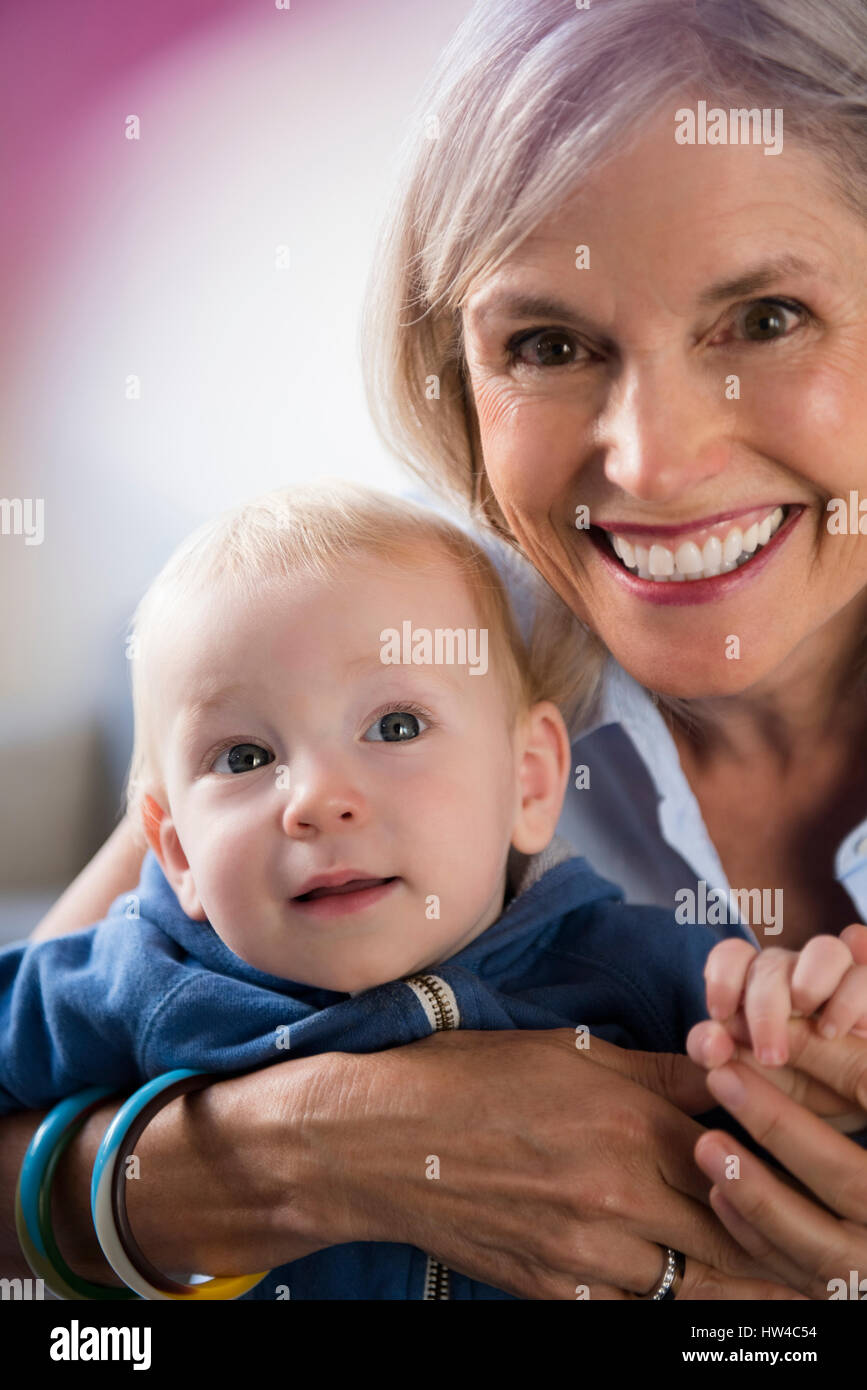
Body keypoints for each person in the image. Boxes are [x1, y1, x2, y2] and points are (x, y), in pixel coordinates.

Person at [5, 0, 867, 1301]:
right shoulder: (395, 656)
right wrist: (317, 1145)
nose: (649, 460)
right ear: (449, 377)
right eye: (545, 345)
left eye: (760, 320)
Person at [4, 480, 865, 1300]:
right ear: (176, 852)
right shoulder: (137, 979)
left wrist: (803, 1026)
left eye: (396, 726)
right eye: (244, 758)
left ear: (529, 783)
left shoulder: (638, 964)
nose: (315, 800)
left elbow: (792, 1147)